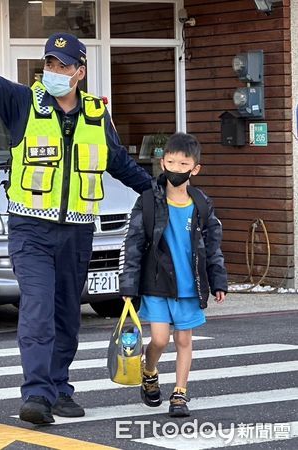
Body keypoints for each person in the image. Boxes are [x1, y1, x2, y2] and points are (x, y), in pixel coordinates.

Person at [0, 4, 152, 425]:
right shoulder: (23, 103)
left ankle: (59, 388)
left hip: (76, 234)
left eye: (63, 64)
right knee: (37, 309)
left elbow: (120, 163)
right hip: (30, 231)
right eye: (49, 63)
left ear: (80, 71)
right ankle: (36, 395)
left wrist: (155, 191)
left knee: (66, 316)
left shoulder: (96, 115)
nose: (54, 70)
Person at [119, 132, 227, 417]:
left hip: (189, 286)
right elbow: (133, 245)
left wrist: (218, 280)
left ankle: (180, 394)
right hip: (155, 284)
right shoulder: (148, 201)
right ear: (162, 162)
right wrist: (128, 285)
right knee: (158, 340)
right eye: (170, 162)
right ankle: (149, 371)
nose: (176, 169)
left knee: (184, 341)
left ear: (195, 169)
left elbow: (212, 247)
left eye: (183, 164)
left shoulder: (202, 204)